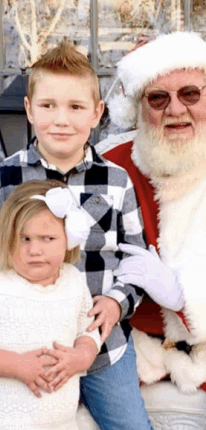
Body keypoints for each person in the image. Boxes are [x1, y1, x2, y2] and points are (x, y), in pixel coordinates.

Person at [0, 40, 168, 430]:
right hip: (27, 348)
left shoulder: (117, 180)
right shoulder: (2, 177)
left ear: (97, 113)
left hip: (103, 346)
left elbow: (136, 260)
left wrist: (116, 302)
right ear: (29, 110)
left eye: (74, 106)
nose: (61, 119)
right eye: (48, 105)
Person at [104, 30, 206, 394]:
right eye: (158, 98)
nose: (176, 109)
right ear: (138, 108)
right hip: (133, 345)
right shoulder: (110, 166)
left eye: (190, 93)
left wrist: (182, 297)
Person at [0, 178, 102, 430]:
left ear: (68, 240)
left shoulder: (74, 281)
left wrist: (83, 356)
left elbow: (88, 329)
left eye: (47, 239)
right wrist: (18, 365)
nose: (34, 250)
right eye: (23, 239)